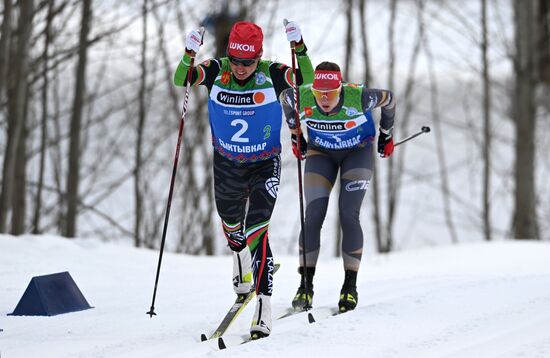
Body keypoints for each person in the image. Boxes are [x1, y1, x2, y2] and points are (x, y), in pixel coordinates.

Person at [174, 21, 313, 338]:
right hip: (226, 164)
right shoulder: (216, 71)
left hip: (264, 164)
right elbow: (181, 78)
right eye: (235, 59)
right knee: (232, 227)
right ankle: (238, 257)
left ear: (259, 56)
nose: (240, 67)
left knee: (256, 230)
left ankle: (263, 307)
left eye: (247, 61)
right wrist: (189, 52)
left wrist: (300, 47)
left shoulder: (272, 73)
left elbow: (305, 79)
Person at [280, 61, 396, 313]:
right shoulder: (301, 96)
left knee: (348, 214)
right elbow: (284, 98)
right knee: (313, 216)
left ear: (340, 88)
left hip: (357, 153)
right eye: (319, 93)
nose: (323, 99)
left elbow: (390, 99)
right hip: (321, 154)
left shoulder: (360, 97)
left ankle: (349, 287)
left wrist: (386, 133)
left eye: (330, 93)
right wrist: (295, 133)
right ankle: (305, 286)